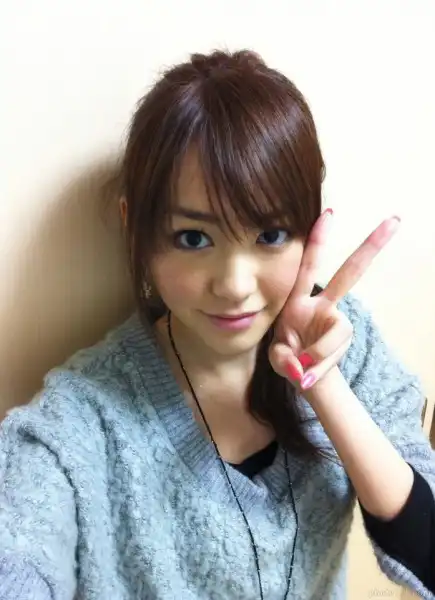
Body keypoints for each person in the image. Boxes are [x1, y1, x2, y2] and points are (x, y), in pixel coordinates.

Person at [0, 49, 434, 600]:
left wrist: (323, 386)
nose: (233, 284)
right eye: (193, 238)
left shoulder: (351, 346)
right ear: (137, 229)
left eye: (270, 235)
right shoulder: (81, 423)